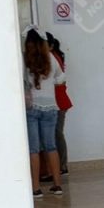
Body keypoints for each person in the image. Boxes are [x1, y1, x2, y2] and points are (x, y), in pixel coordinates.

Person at [22, 26, 63, 198]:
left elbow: (21, 81)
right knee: (51, 146)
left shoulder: (24, 59)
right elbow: (60, 79)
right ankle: (57, 185)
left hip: (31, 107)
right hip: (51, 107)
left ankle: (36, 188)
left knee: (33, 149)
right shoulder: (51, 57)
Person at [40, 33, 72, 182]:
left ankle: (61, 167)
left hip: (58, 102)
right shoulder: (53, 57)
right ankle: (59, 167)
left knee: (56, 134)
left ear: (50, 46)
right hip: (58, 102)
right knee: (56, 134)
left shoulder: (52, 58)